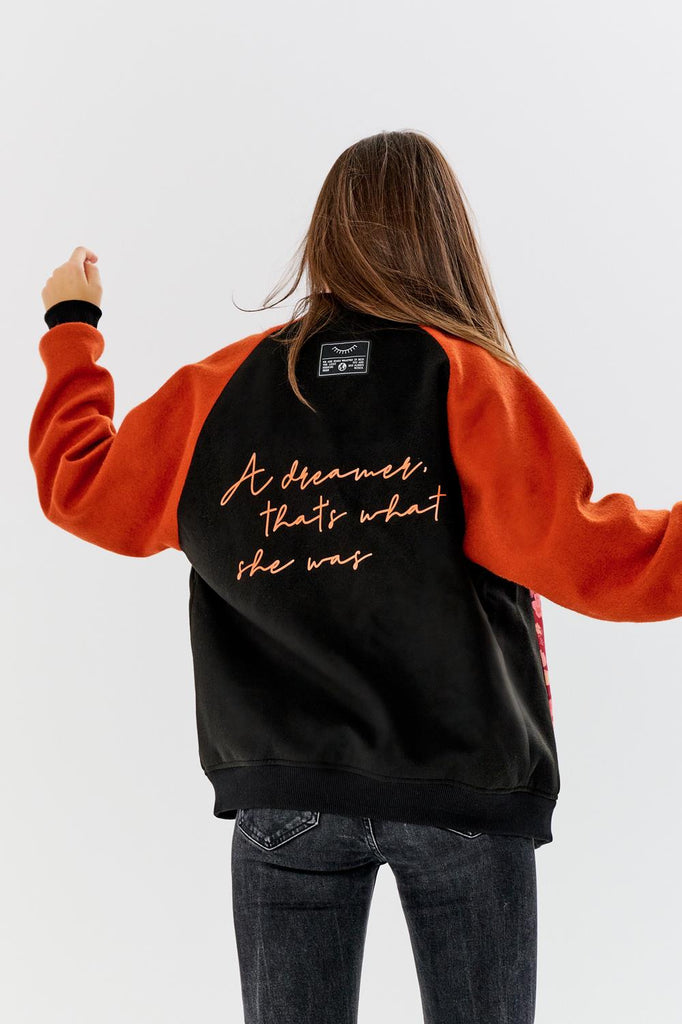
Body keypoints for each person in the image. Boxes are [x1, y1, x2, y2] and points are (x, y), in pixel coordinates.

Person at [28, 130, 682, 1024]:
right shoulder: (471, 384)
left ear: (326, 235)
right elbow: (601, 558)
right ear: (446, 238)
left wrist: (72, 327)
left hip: (284, 794)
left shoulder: (219, 392)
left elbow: (83, 488)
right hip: (460, 791)